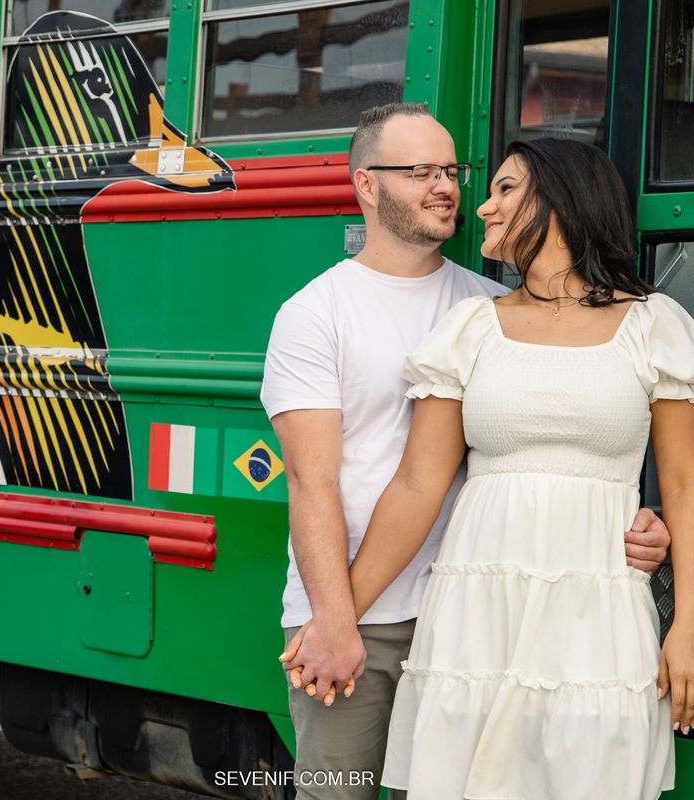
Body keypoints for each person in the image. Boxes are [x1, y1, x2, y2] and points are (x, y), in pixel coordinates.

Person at [261, 105, 671, 799]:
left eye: (451, 170)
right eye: (420, 171)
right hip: (368, 614)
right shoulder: (318, 312)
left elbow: (574, 428)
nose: (450, 188)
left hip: (477, 609)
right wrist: (334, 621)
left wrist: (646, 518)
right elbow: (313, 481)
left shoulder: (489, 303)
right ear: (367, 184)